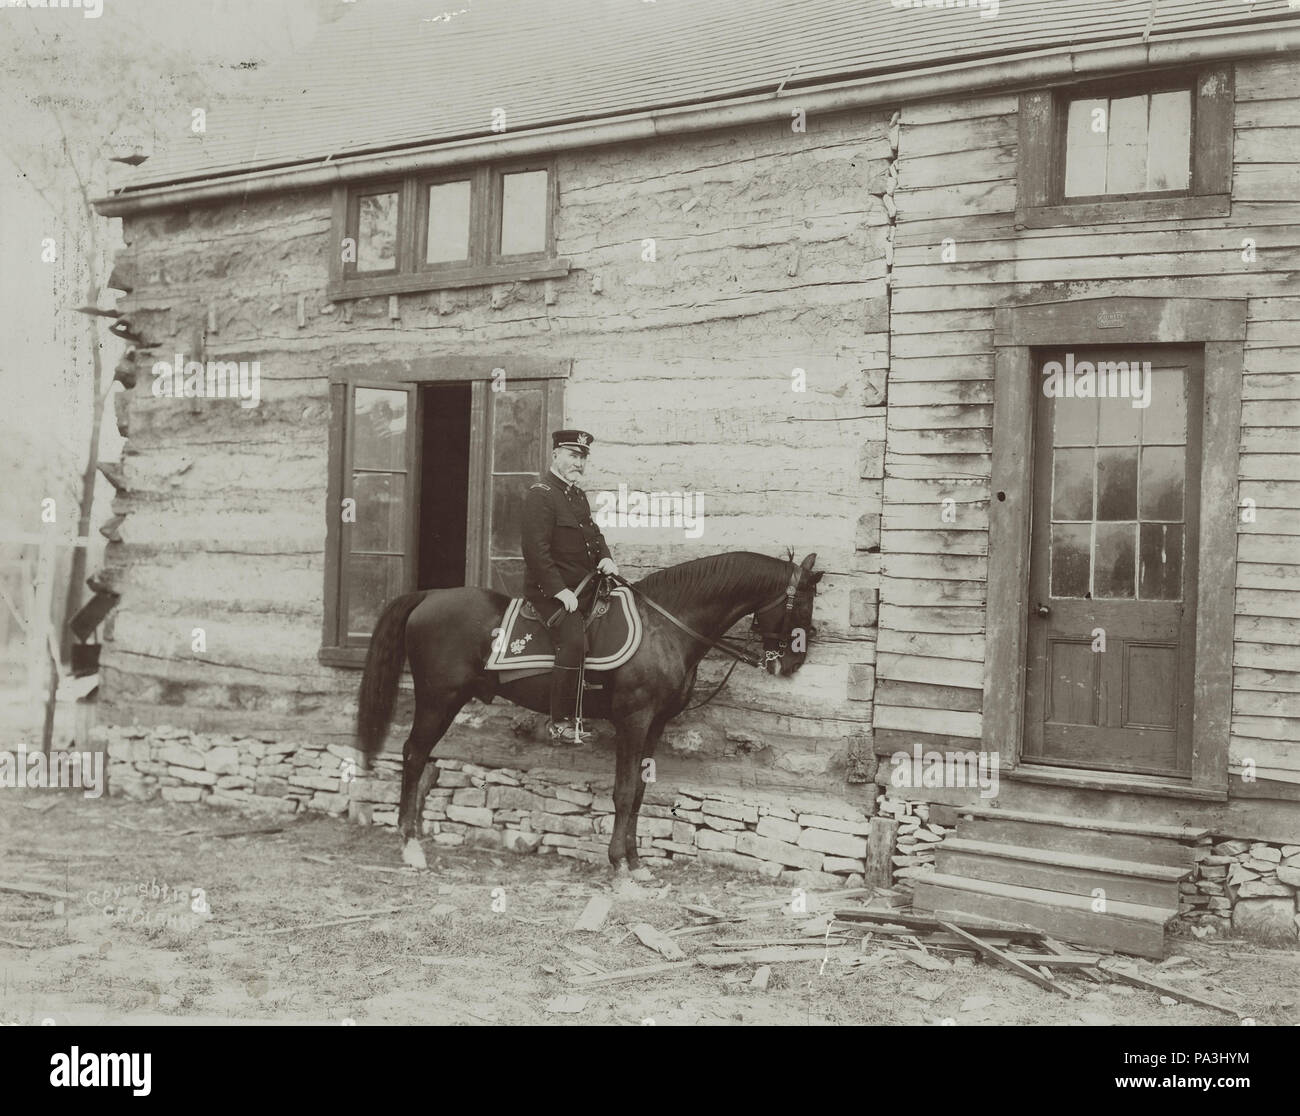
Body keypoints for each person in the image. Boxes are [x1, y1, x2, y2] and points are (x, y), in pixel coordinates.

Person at [521, 429, 618, 744]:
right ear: (555, 456)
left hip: (585, 587)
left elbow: (594, 534)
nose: (579, 463)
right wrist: (558, 591)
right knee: (574, 640)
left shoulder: (576, 495)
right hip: (550, 591)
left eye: (583, 457)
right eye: (573, 456)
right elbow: (535, 551)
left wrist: (606, 558)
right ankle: (560, 722)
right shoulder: (542, 494)